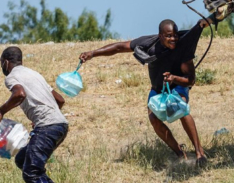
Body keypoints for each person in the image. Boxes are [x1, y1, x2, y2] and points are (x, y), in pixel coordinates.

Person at [79, 19, 207, 165]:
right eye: (169, 36)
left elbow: (190, 80)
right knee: (154, 119)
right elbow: (120, 47)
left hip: (177, 85)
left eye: (175, 35)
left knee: (180, 108)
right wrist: (93, 53)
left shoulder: (183, 48)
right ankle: (180, 153)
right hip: (158, 89)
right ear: (160, 36)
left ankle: (199, 153)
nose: (174, 39)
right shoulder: (148, 43)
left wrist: (174, 78)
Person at [0, 46, 68, 183]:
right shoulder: (34, 74)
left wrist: (1, 111)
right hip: (61, 125)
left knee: (32, 173)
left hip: (48, 127)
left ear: (5, 62)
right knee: (22, 159)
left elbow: (19, 94)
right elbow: (60, 100)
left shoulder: (12, 76)